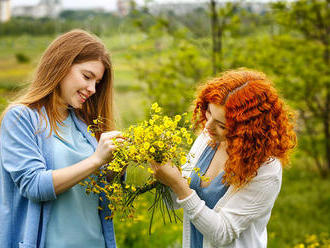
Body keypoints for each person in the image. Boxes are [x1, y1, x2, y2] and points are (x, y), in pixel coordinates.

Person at [0, 29, 122, 248]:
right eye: (87, 76)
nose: (92, 89)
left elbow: (95, 192)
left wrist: (117, 167)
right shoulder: (21, 118)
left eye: (97, 82)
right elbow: (34, 185)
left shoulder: (85, 123)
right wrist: (96, 160)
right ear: (61, 64)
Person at [151, 69, 296, 248]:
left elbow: (223, 234)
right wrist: (162, 170)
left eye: (221, 125)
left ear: (247, 131)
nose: (208, 126)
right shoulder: (208, 139)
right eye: (209, 113)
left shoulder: (266, 169)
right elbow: (176, 202)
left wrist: (176, 184)